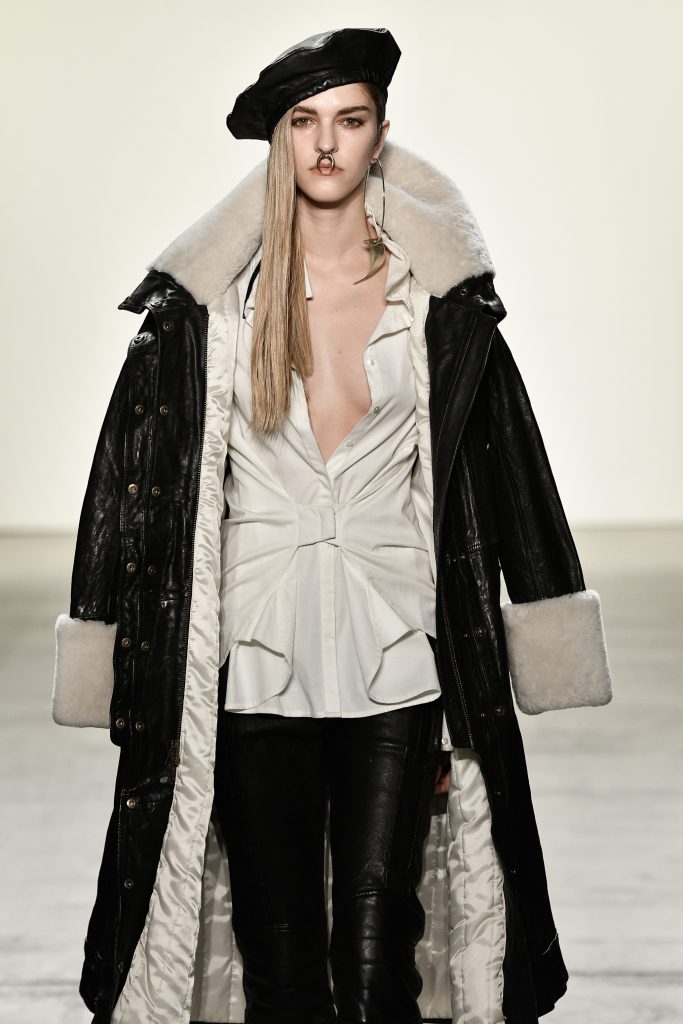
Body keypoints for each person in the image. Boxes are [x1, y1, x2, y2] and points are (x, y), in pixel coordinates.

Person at [51, 26, 613, 1024]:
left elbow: (508, 466)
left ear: (379, 134)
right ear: (278, 142)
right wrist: (108, 638)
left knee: (375, 955)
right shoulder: (208, 317)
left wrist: (542, 608)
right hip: (252, 656)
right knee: (279, 962)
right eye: (303, 122)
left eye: (348, 121)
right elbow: (125, 482)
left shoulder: (438, 310)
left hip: (396, 654)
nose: (324, 144)